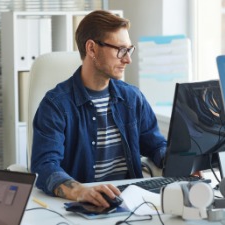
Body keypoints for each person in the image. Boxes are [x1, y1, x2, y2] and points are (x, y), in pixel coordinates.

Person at [30, 10, 166, 208]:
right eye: (120, 50)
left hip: (132, 203)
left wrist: (184, 162)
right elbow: (44, 166)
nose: (127, 59)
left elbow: (155, 145)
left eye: (129, 50)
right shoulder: (56, 105)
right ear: (92, 49)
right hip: (81, 206)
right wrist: (79, 190)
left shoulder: (132, 98)